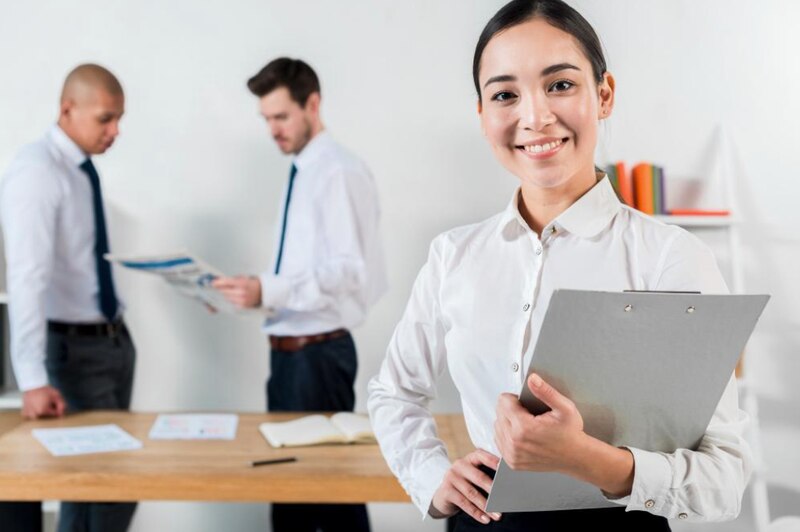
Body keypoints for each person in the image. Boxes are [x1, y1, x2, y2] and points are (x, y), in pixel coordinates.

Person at [367, 1, 751, 530]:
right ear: (482, 115)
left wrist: (586, 458)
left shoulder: (670, 258)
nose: (535, 117)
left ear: (604, 94)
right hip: (482, 520)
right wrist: (433, 475)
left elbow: (724, 478)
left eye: (560, 85)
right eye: (505, 94)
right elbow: (394, 392)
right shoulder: (453, 256)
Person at [212, 57, 386, 532]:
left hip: (318, 357)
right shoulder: (305, 171)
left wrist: (268, 289)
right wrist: (256, 291)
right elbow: (310, 269)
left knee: (328, 495)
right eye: (266, 119)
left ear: (313, 104)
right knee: (289, 491)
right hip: (291, 358)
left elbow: (349, 271)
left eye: (281, 116)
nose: (273, 129)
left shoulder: (337, 172)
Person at [0, 64, 137, 532]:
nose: (115, 131)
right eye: (105, 118)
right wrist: (33, 378)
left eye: (119, 118)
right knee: (101, 488)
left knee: (106, 488)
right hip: (74, 352)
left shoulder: (81, 172)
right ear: (67, 110)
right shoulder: (37, 172)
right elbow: (27, 278)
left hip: (112, 343)